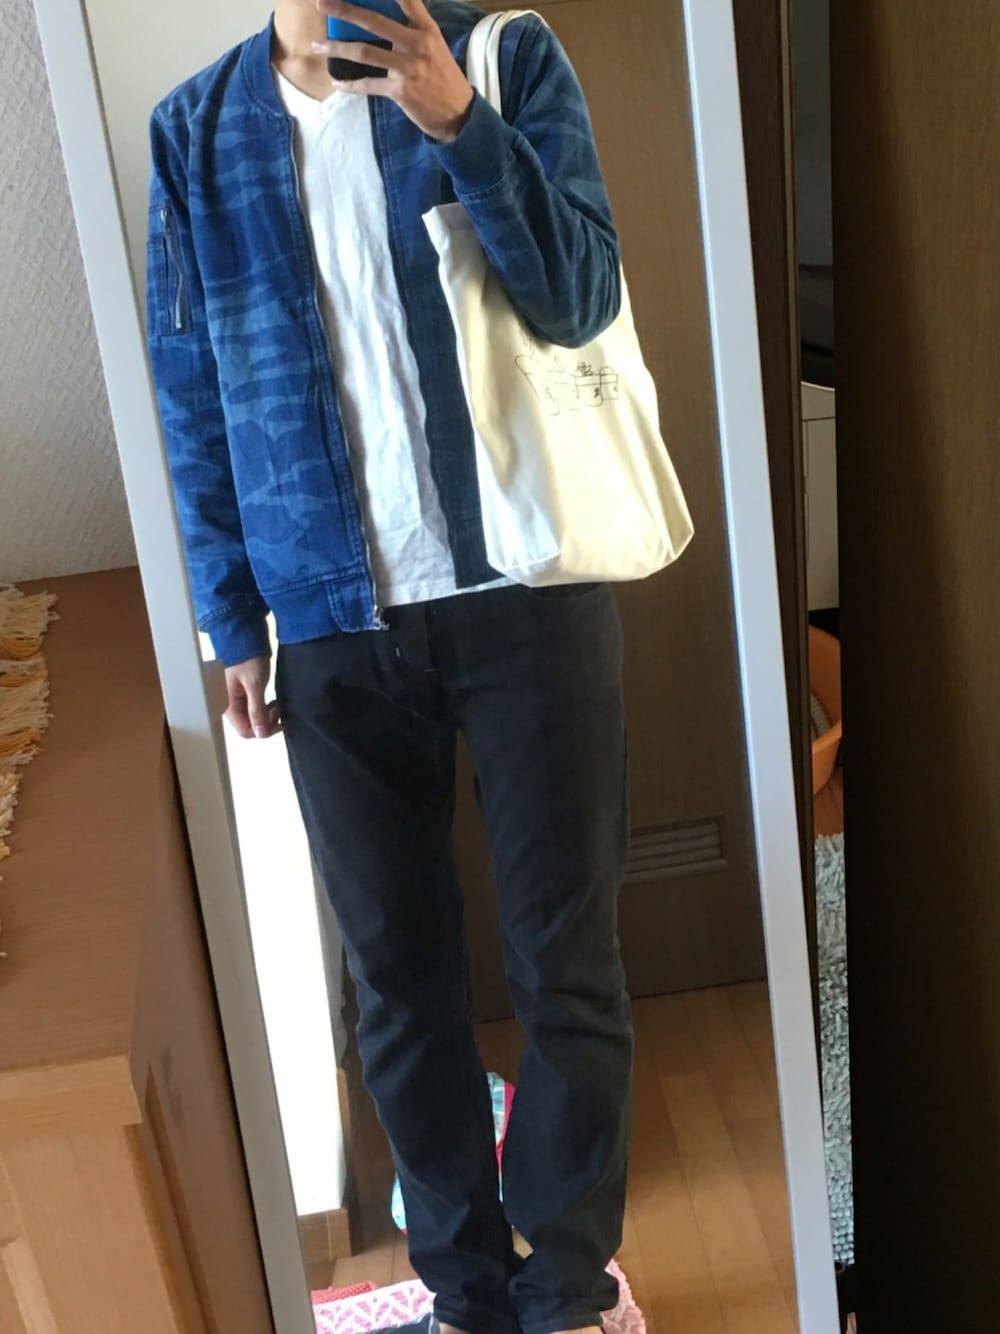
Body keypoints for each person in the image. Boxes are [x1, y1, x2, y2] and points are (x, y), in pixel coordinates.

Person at [146, 2, 632, 1331]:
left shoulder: (500, 60)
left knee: (567, 964)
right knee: (398, 992)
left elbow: (582, 295)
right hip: (329, 626)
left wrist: (462, 127)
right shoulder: (196, 133)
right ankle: (466, 1295)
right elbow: (191, 388)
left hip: (528, 586)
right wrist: (230, 613)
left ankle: (568, 1288)